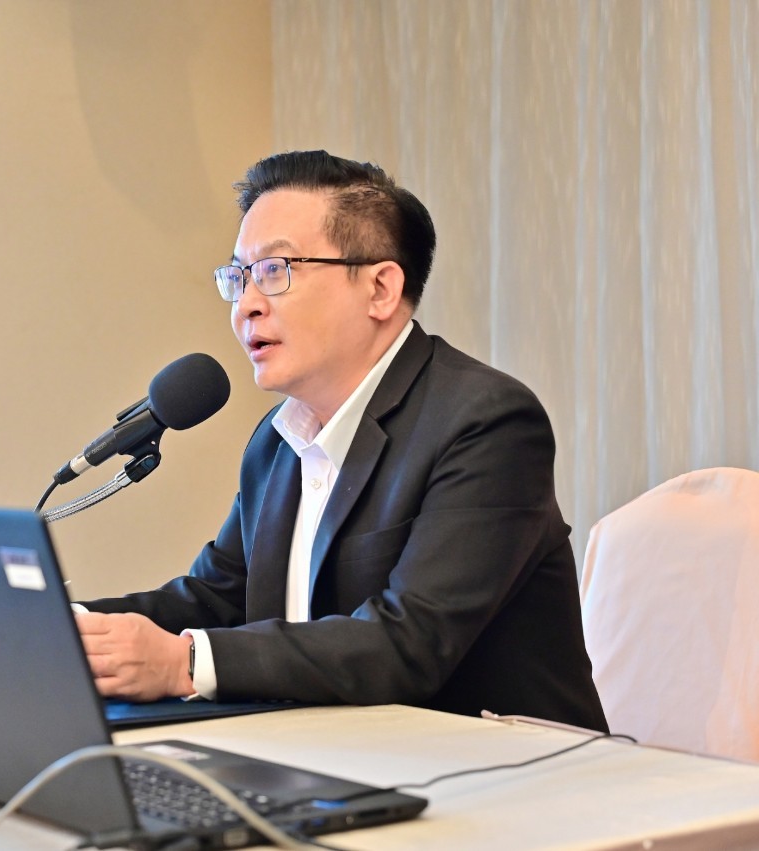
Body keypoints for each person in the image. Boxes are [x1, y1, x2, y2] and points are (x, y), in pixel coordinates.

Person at [75, 151, 608, 731]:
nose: (247, 305)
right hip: (328, 754)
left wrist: (185, 663)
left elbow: (410, 641)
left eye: (275, 270)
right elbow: (216, 599)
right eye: (239, 277)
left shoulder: (486, 423)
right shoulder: (277, 442)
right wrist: (58, 626)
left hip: (504, 770)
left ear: (380, 289)